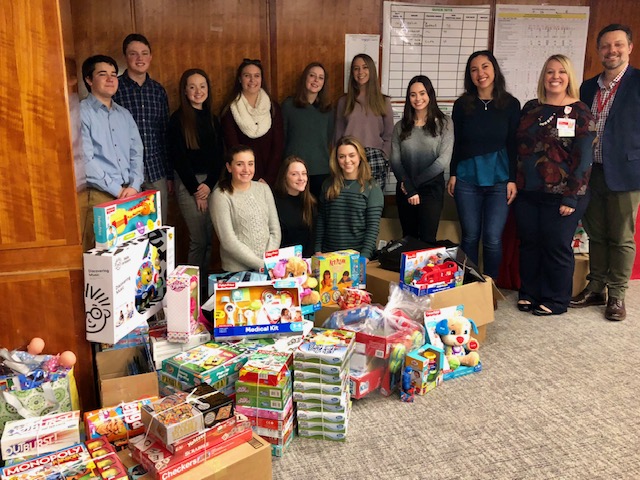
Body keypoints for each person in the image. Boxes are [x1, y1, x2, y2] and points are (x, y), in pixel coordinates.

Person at [515, 54, 595, 315]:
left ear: (569, 77)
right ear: (543, 76)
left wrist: (571, 197)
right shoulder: (530, 108)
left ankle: (556, 299)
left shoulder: (580, 111)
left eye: (561, 72)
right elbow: (518, 149)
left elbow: (583, 159)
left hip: (564, 194)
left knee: (556, 245)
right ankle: (529, 292)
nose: (555, 77)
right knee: (529, 243)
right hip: (528, 190)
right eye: (550, 72)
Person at [570, 24, 640, 321]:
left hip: (626, 171)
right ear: (598, 51)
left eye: (618, 45)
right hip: (591, 171)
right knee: (596, 233)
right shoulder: (587, 87)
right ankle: (596, 286)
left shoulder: (638, 82)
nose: (612, 51)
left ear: (629, 48)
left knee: (622, 236)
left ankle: (617, 295)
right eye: (606, 46)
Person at [447, 50, 521, 280]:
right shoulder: (462, 105)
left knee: (492, 237)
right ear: (469, 75)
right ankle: (469, 282)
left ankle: (490, 286)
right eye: (474, 69)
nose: (480, 73)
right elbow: (456, 142)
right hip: (467, 177)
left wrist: (512, 179)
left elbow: (513, 144)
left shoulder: (510, 104)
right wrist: (452, 174)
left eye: (485, 66)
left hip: (499, 178)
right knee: (469, 235)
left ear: (494, 69)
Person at [168, 68, 224, 297]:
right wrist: (196, 191)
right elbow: (178, 159)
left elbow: (220, 156)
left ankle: (205, 291)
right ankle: (191, 295)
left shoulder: (212, 118)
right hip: (189, 185)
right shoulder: (177, 120)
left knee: (211, 240)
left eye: (202, 86)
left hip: (212, 183)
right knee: (198, 240)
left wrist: (209, 186)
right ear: (184, 90)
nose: (198, 91)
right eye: (192, 86)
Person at [79, 54, 143, 251]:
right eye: (103, 74)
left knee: (128, 258)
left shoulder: (124, 114)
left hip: (130, 194)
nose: (110, 79)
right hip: (99, 195)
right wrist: (116, 190)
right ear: (89, 80)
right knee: (99, 259)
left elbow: (137, 152)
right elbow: (85, 160)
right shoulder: (80, 112)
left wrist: (134, 185)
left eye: (114, 74)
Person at [113, 33, 171, 224]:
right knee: (128, 229)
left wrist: (169, 175)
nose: (140, 58)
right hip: (125, 175)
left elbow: (165, 134)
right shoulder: (115, 88)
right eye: (133, 54)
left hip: (156, 171)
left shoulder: (158, 90)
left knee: (159, 227)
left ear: (150, 57)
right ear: (125, 57)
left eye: (144, 53)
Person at [390, 75, 453, 243]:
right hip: (405, 189)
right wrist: (408, 186)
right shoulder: (400, 126)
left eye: (422, 93)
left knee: (427, 241)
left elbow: (442, 161)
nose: (418, 98)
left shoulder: (445, 123)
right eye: (413, 94)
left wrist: (413, 185)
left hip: (430, 189)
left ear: (430, 95)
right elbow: (395, 161)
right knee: (408, 240)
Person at [210, 145, 281, 272]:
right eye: (239, 164)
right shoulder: (221, 195)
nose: (246, 169)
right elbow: (228, 241)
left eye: (250, 163)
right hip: (237, 270)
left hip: (268, 267)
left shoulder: (264, 189)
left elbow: (275, 230)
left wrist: (268, 260)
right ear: (229, 167)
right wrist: (260, 264)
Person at [315, 136, 384, 260]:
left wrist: (365, 257)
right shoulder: (328, 184)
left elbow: (373, 227)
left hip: (357, 256)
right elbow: (321, 220)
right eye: (342, 156)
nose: (347, 160)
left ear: (360, 157)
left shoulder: (372, 187)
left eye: (352, 155)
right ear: (336, 159)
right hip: (329, 255)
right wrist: (317, 249)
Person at [335, 54, 394, 190]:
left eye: (365, 67)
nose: (360, 72)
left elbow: (389, 134)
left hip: (375, 157)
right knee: (352, 202)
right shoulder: (343, 102)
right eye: (356, 68)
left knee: (373, 204)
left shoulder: (383, 101)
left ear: (371, 70)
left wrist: (384, 155)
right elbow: (338, 135)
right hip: (349, 157)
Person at [220, 59, 284, 186]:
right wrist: (251, 176)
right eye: (247, 76)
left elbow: (278, 146)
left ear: (261, 79)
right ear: (239, 79)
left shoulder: (273, 108)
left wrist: (268, 178)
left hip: (270, 179)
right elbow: (233, 148)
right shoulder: (229, 110)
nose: (252, 80)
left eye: (256, 76)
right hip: (242, 178)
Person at [281, 62, 334, 199]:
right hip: (294, 171)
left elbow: (328, 139)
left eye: (321, 77)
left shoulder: (328, 110)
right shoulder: (288, 106)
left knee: (317, 213)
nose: (316, 80)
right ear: (305, 78)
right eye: (312, 75)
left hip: (320, 170)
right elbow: (283, 138)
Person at [273, 156, 316, 257]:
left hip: (304, 263)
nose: (301, 178)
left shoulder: (311, 202)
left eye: (304, 174)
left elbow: (312, 238)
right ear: (284, 176)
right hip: (280, 263)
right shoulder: (273, 201)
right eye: (294, 174)